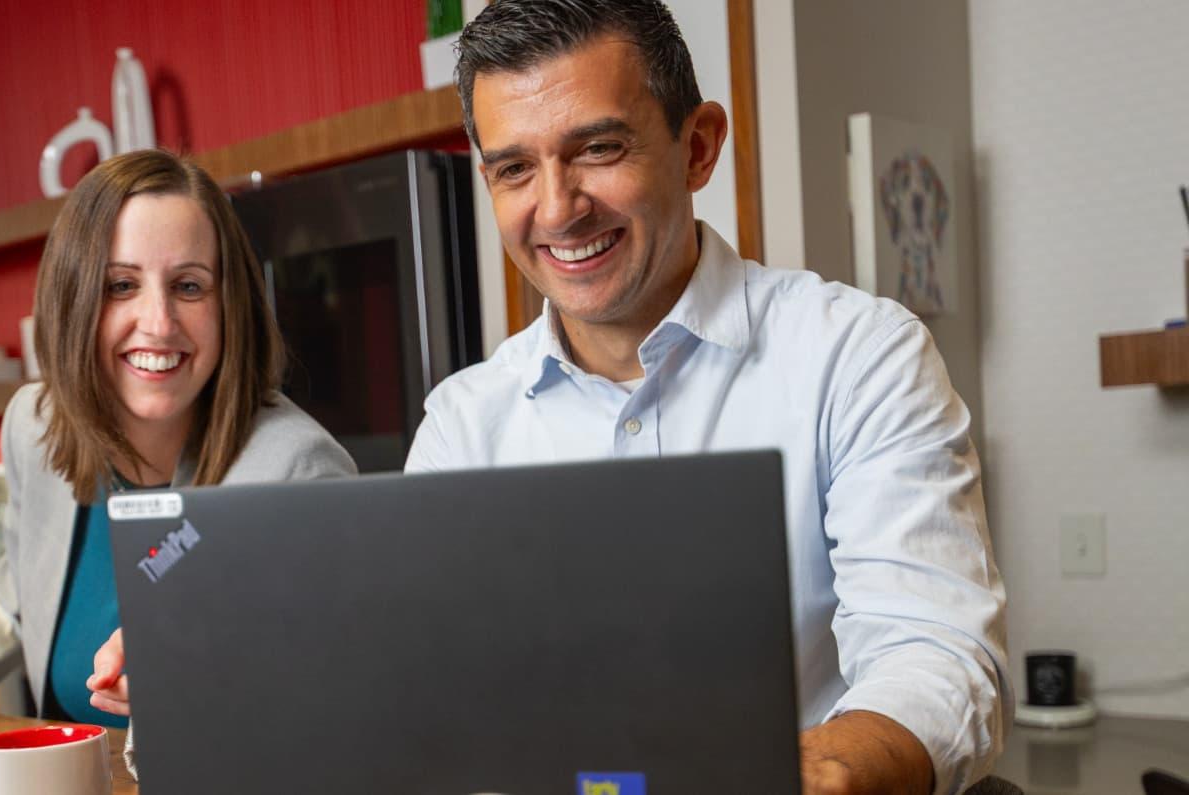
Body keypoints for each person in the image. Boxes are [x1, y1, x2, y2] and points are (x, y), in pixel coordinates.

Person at [393, 2, 1009, 794]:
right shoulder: (460, 426)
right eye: (515, 168)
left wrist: (809, 774)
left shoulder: (857, 356)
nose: (556, 207)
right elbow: (432, 699)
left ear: (698, 146)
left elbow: (937, 653)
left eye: (599, 148)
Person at [0, 150, 356, 731]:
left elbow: (323, 695)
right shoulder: (35, 425)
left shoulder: (296, 469)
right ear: (73, 301)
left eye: (189, 285)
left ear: (230, 307)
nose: (158, 321)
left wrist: (194, 681)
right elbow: (15, 601)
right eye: (121, 285)